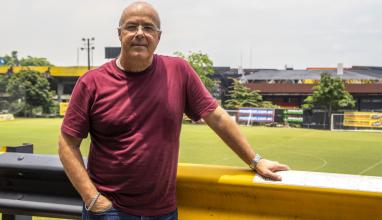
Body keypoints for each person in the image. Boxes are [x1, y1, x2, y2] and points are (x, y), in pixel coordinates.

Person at [58, 1, 289, 219]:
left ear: (158, 37)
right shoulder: (92, 82)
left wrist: (255, 161)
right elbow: (67, 144)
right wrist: (93, 199)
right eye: (131, 27)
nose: (140, 33)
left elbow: (216, 117)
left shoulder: (178, 71)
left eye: (148, 27)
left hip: (163, 212)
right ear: (119, 34)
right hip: (110, 211)